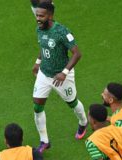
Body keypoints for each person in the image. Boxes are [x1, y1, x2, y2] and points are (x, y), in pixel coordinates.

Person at [31, 2, 88, 153]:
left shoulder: (62, 31)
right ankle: (44, 141)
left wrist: (64, 72)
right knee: (37, 106)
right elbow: (43, 47)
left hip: (61, 76)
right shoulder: (39, 29)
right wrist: (38, 62)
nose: (38, 18)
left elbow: (77, 53)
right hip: (44, 73)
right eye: (37, 15)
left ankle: (83, 122)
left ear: (50, 15)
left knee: (72, 103)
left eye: (41, 16)